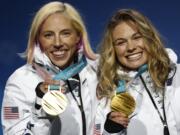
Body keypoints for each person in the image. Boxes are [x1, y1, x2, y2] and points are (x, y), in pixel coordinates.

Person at [1, 1, 100, 135]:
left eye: (65, 33)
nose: (57, 43)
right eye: (48, 35)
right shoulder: (19, 81)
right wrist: (42, 107)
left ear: (78, 36)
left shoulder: (95, 71)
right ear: (38, 39)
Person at [97, 9, 180, 135]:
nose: (131, 47)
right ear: (112, 49)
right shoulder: (108, 97)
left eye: (137, 37)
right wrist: (110, 131)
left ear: (149, 38)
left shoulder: (177, 74)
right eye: (121, 42)